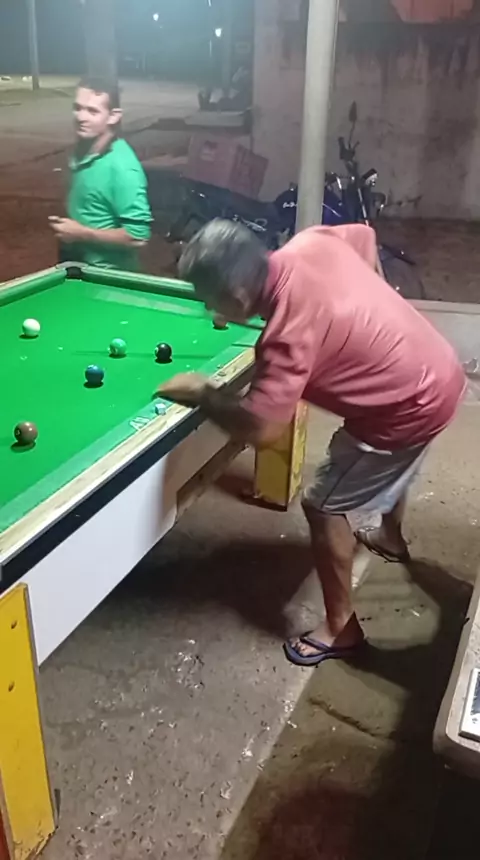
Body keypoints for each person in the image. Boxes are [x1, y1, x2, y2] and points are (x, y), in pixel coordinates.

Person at [157, 219, 466, 668]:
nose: (210, 311)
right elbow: (363, 237)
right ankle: (389, 536)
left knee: (323, 506)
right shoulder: (310, 243)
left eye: (210, 301)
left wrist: (204, 394)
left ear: (238, 297)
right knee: (393, 463)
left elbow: (263, 430)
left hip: (407, 410)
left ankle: (341, 628)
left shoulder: (285, 337)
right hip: (437, 369)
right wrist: (371, 321)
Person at [49, 77, 152, 271]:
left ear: (113, 116)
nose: (81, 117)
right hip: (76, 267)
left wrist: (81, 233)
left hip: (107, 278)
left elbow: (138, 236)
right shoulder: (82, 151)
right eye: (78, 108)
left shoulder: (122, 168)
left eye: (92, 111)